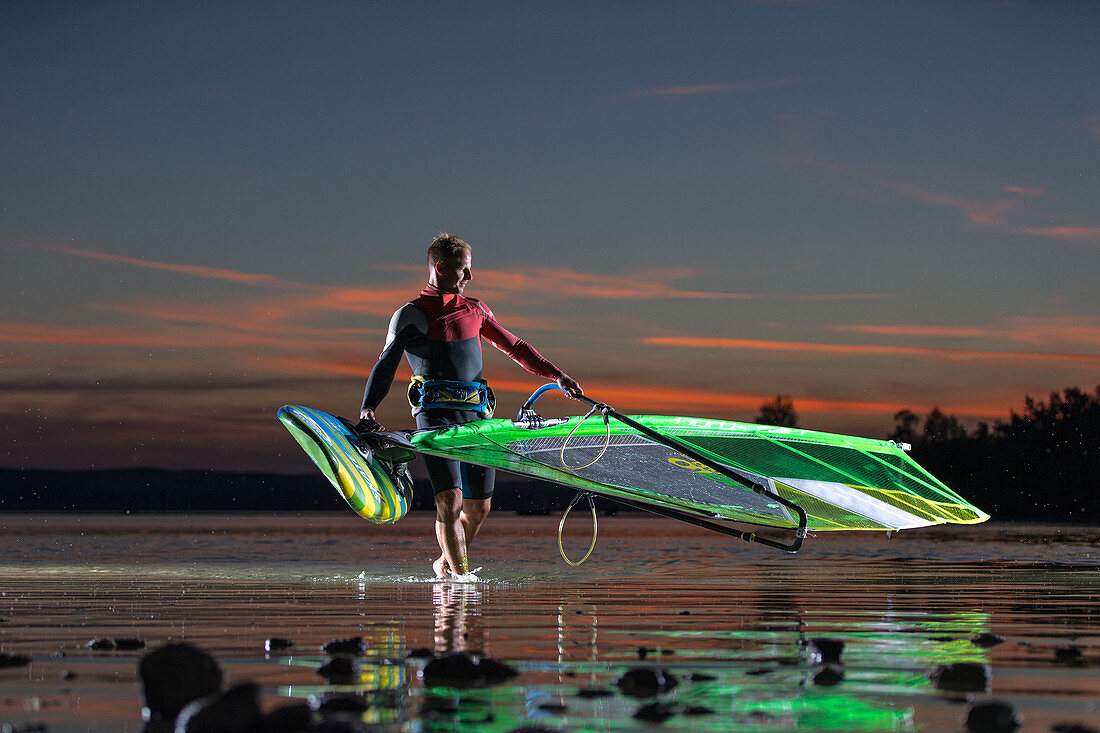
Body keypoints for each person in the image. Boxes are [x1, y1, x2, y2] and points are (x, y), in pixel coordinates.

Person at [359, 233, 582, 578]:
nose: (470, 277)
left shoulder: (476, 310)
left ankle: (445, 567)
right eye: (464, 270)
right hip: (434, 416)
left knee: (479, 508)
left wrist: (558, 375)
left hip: (477, 415)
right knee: (450, 501)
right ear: (441, 267)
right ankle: (462, 581)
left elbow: (517, 347)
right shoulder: (410, 315)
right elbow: (385, 364)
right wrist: (368, 409)